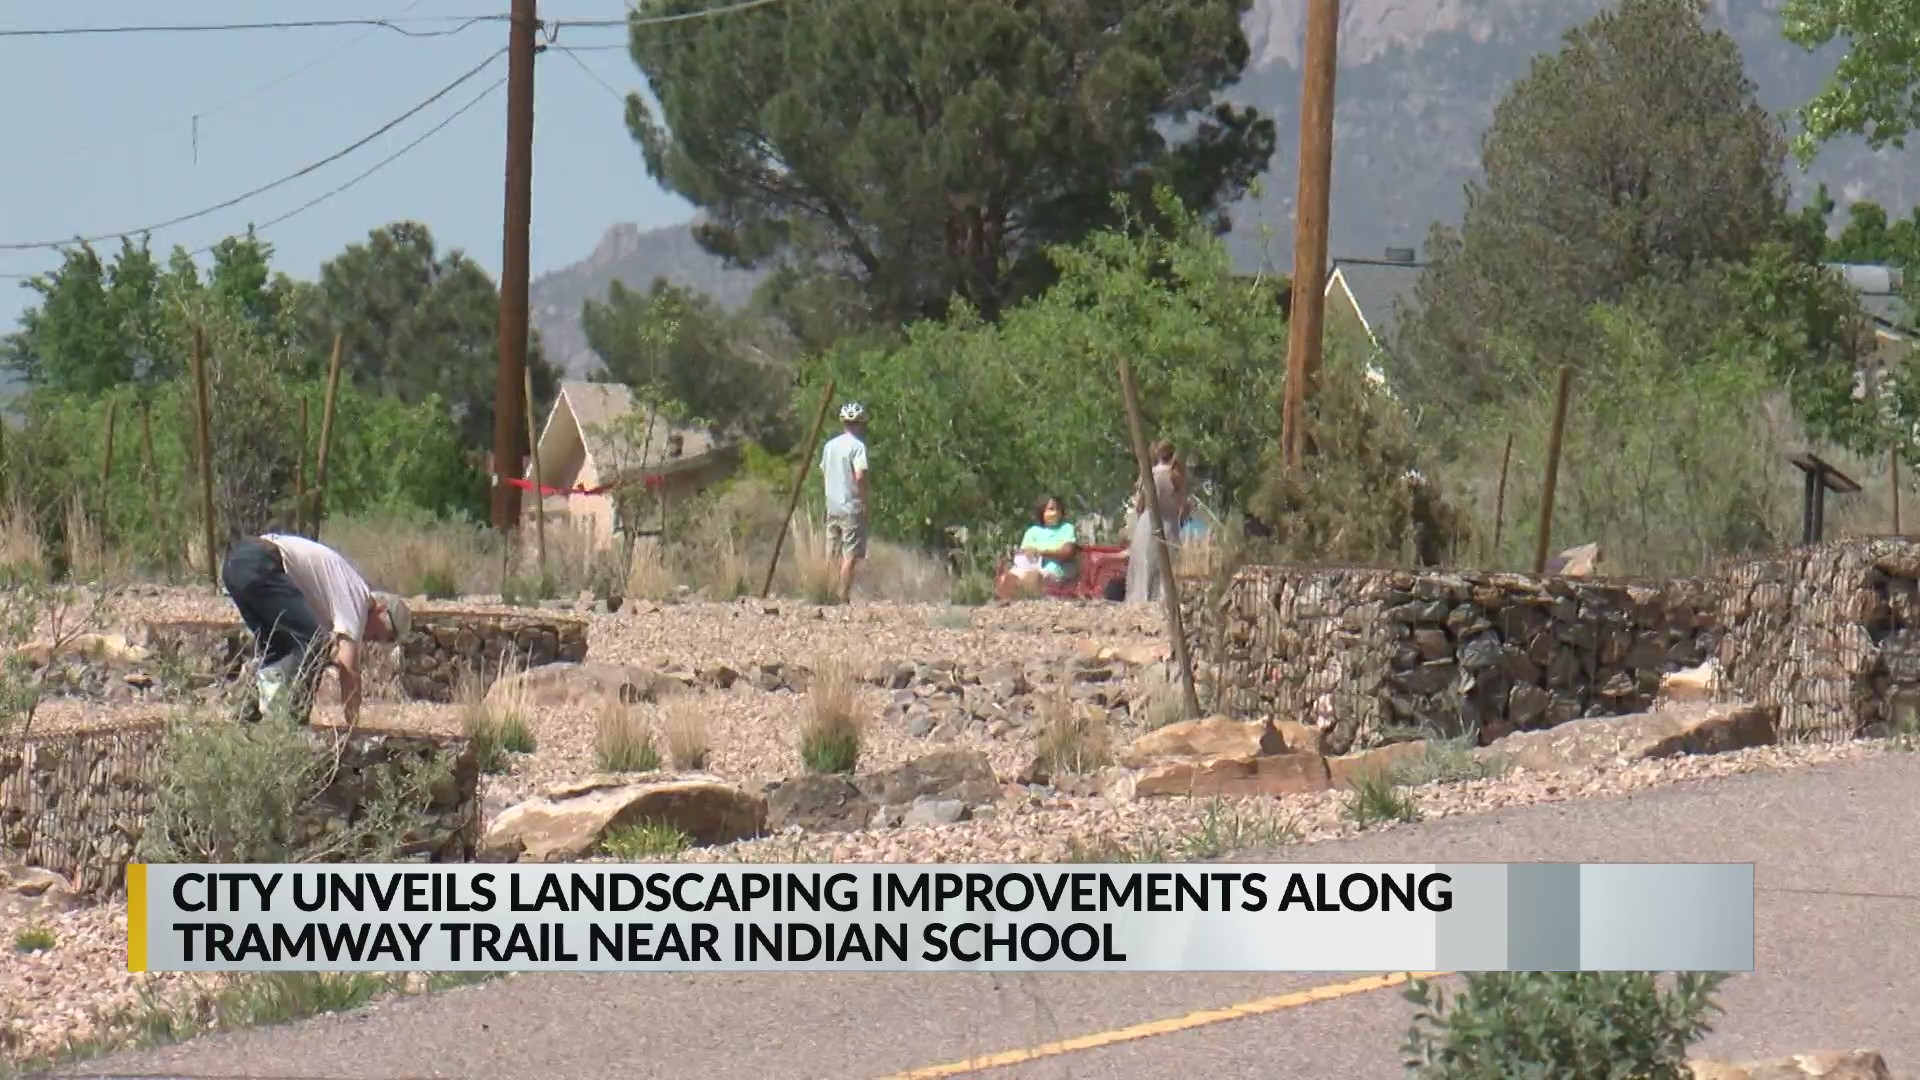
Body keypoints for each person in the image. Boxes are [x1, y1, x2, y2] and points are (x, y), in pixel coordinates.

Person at [220, 532, 413, 726]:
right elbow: (349, 669)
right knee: (316, 645)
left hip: (235, 565)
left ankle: (248, 713)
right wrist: (352, 723)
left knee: (277, 647)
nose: (374, 639)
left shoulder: (330, 605)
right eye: (384, 634)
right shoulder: (358, 598)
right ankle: (293, 720)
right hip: (259, 562)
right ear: (381, 609)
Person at [1124, 439, 1189, 604]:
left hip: (1149, 521)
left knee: (1145, 564)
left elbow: (1141, 504)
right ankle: (1163, 600)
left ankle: (1142, 599)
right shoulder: (1176, 475)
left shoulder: (1149, 474)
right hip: (1170, 523)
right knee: (1168, 564)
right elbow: (1184, 505)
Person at [818, 401, 871, 603]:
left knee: (831, 552)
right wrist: (864, 501)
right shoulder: (858, 447)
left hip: (832, 505)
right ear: (861, 423)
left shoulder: (829, 446)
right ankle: (843, 596)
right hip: (851, 505)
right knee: (850, 553)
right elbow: (860, 475)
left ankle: (826, 590)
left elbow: (823, 470)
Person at [1001, 495, 1079, 596]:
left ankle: (1017, 595)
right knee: (1008, 577)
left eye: (1057, 509)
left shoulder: (1067, 528)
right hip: (1030, 567)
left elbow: (1068, 551)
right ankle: (1009, 600)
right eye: (1050, 509)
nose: (1054, 512)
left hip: (1056, 571)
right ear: (1042, 512)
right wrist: (1028, 553)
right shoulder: (1032, 532)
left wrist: (1042, 553)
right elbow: (1023, 553)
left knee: (1033, 576)